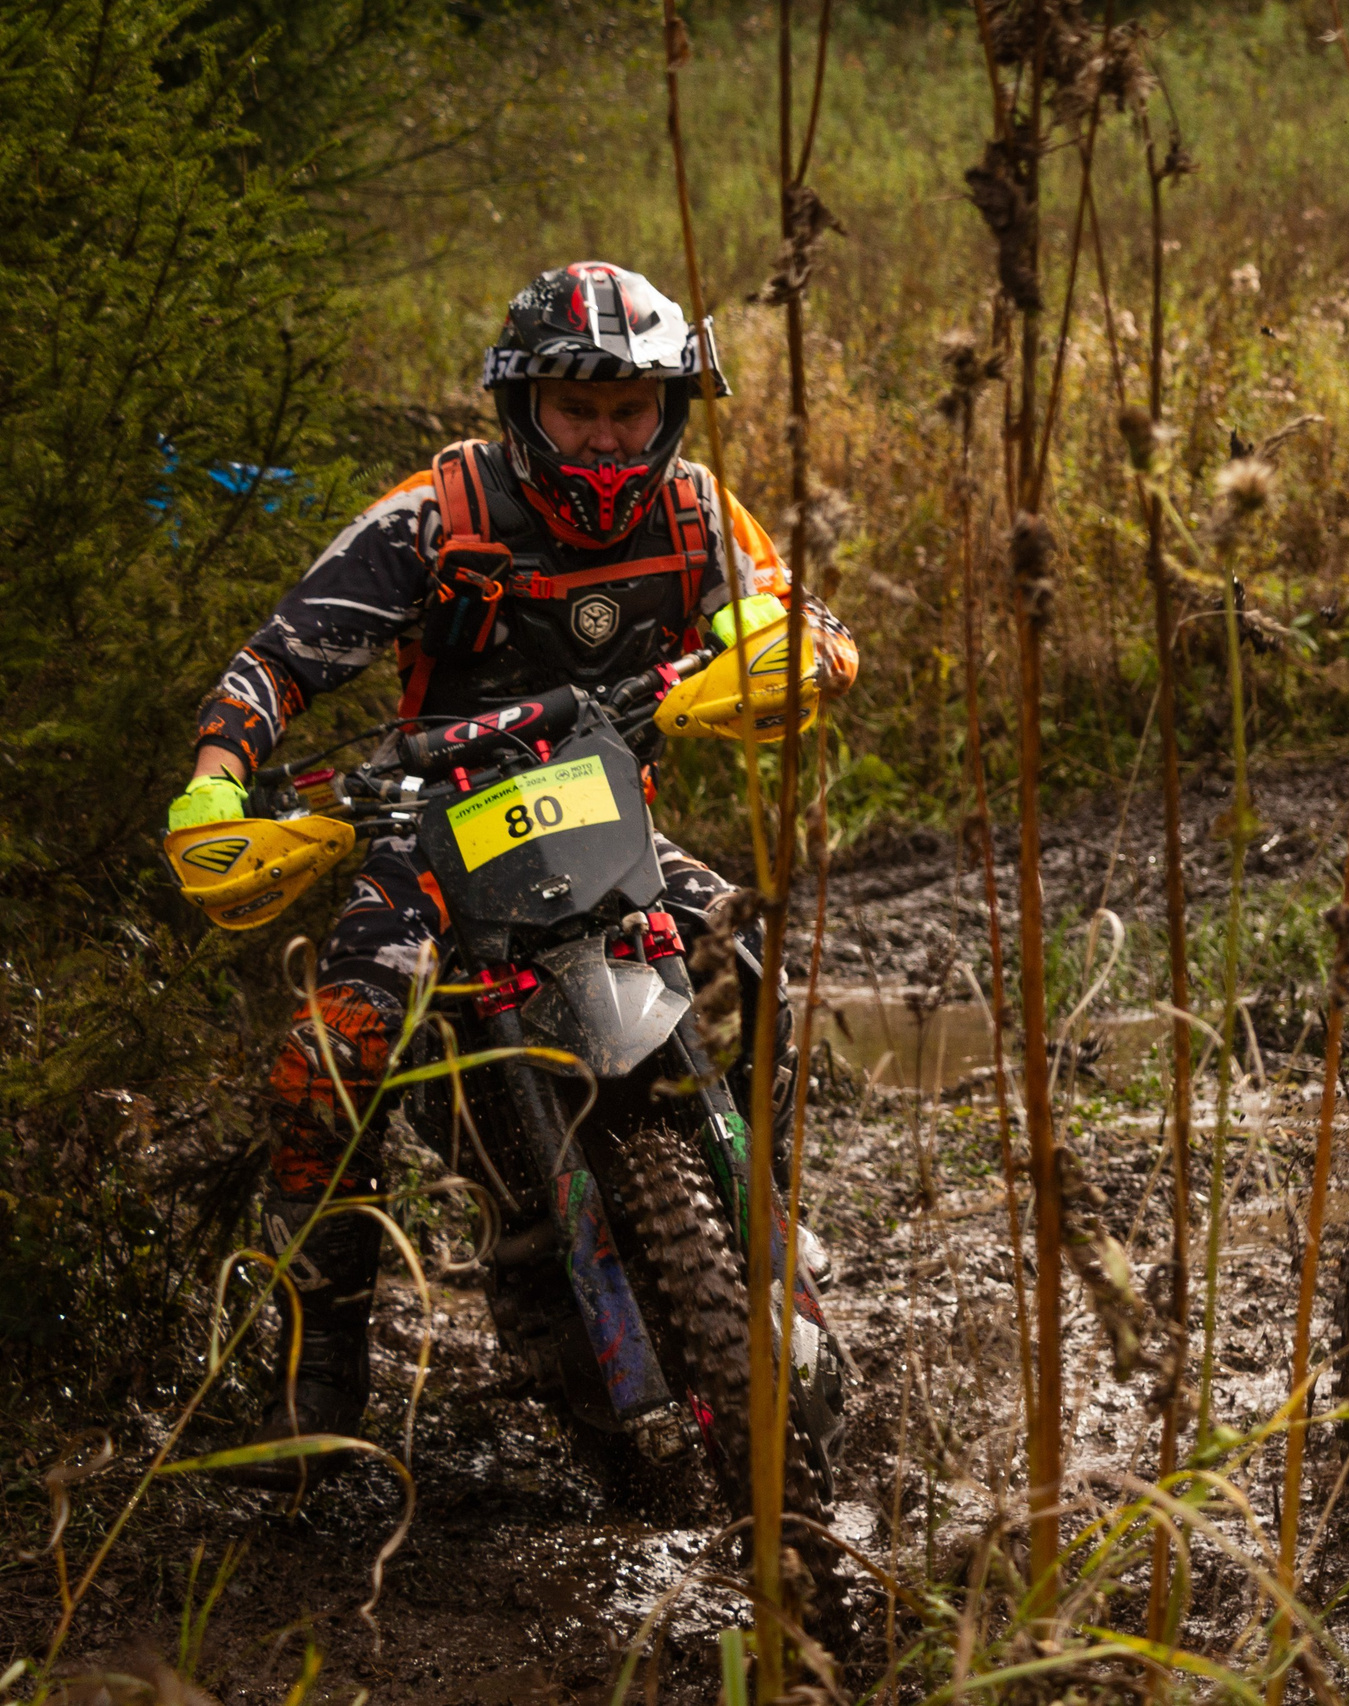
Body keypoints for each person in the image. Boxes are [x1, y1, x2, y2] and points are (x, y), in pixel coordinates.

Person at [166, 262, 857, 1483]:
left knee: (746, 959)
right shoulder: (433, 516)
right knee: (328, 1054)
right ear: (522, 409)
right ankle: (312, 1379)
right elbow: (271, 667)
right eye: (576, 410)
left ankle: (767, 1219)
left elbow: (797, 615)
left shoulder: (697, 509)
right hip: (426, 836)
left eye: (628, 411)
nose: (604, 436)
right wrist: (219, 783)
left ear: (668, 413)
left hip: (602, 820)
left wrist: (783, 655)